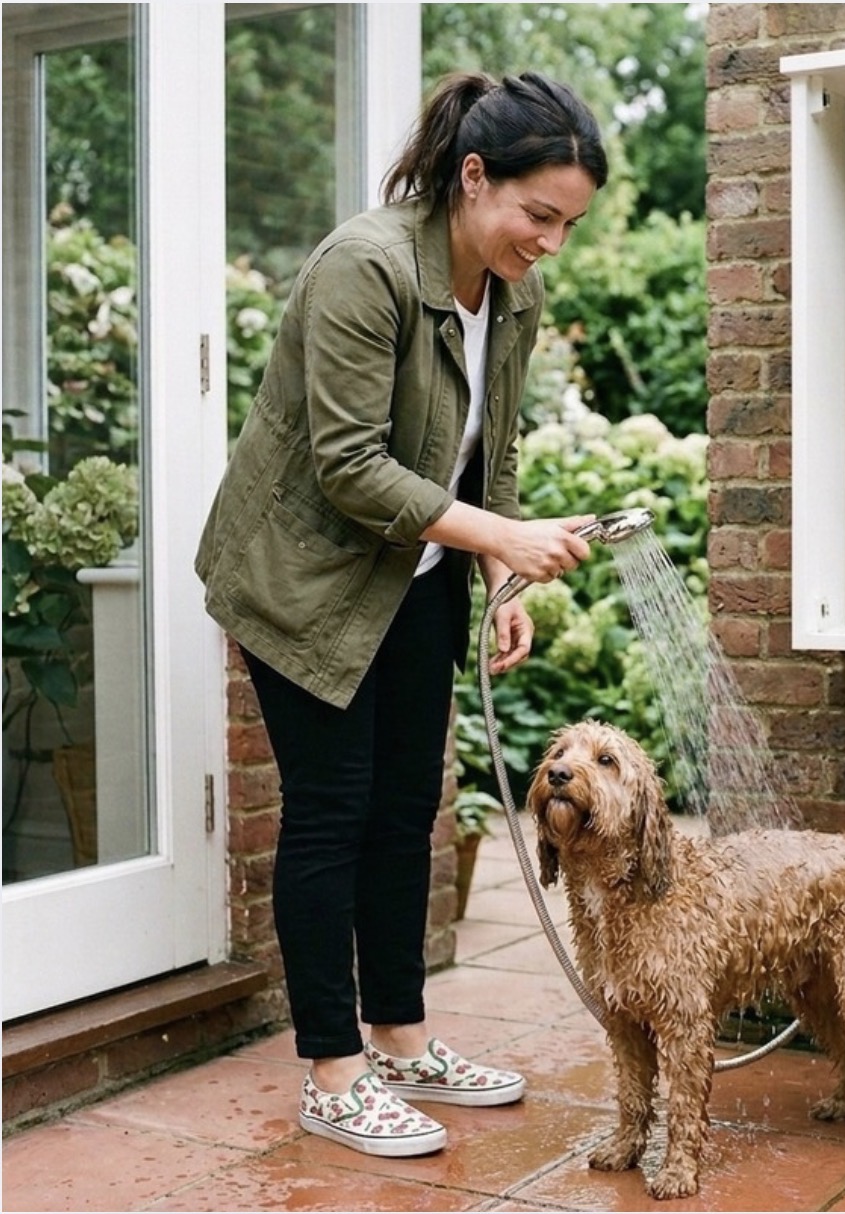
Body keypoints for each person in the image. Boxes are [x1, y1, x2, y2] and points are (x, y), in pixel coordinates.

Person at [195, 71, 608, 1158]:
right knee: (331, 814)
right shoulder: (364, 268)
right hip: (302, 578)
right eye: (539, 214)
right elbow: (346, 467)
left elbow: (494, 448)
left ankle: (401, 1036)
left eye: (567, 223)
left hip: (412, 576)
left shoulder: (510, 295)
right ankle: (334, 1072)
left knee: (404, 810)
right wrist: (500, 538)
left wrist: (501, 574)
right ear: (474, 178)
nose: (550, 242)